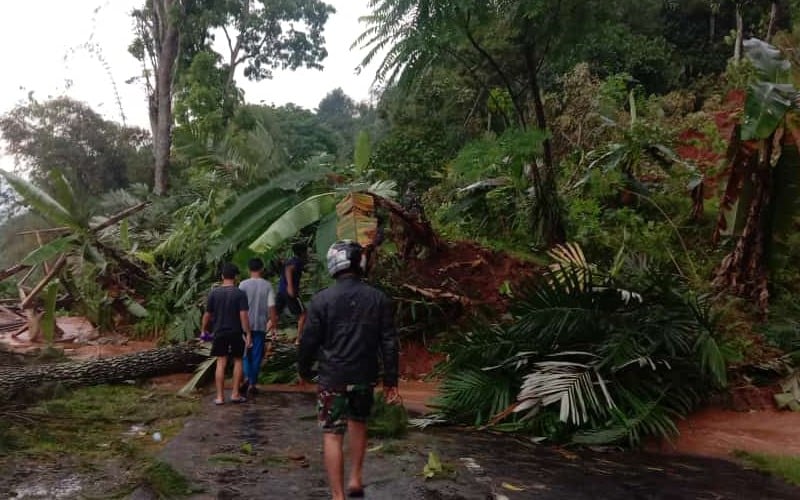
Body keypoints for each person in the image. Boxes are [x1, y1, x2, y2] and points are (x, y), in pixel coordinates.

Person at [298, 240, 400, 500]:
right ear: (360, 264)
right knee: (359, 423)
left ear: (334, 263)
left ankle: (337, 495)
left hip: (333, 377)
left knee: (332, 434)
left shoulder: (322, 300)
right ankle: (355, 478)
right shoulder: (378, 299)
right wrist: (391, 380)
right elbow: (389, 342)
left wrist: (304, 369)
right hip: (364, 376)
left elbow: (309, 340)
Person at [200, 263, 252, 405]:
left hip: (219, 331)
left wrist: (203, 330)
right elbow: (244, 316)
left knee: (221, 362)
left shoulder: (214, 293)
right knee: (238, 361)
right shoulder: (240, 294)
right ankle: (235, 394)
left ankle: (220, 397)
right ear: (235, 277)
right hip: (236, 331)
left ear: (222, 276)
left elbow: (207, 315)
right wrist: (248, 333)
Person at [239, 257, 278, 396]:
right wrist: (273, 324)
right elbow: (271, 307)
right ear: (262, 269)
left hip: (244, 325)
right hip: (260, 325)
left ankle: (247, 378)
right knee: (256, 355)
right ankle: (252, 382)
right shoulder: (267, 286)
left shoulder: (242, 285)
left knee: (244, 355)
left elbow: (238, 306)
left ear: (249, 269)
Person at [276, 242, 308, 344]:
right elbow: (288, 269)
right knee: (303, 314)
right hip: (289, 291)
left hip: (281, 290)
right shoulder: (297, 262)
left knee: (276, 314)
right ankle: (298, 339)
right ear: (303, 252)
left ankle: (264, 334)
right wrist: (290, 286)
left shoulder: (292, 260)